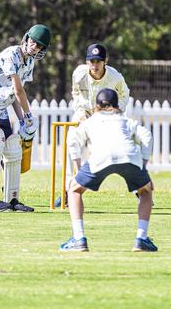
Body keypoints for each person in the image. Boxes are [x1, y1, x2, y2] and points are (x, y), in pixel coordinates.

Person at [59, 88, 156, 252]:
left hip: (100, 157)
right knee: (146, 191)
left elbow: (73, 140)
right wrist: (144, 166)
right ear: (117, 105)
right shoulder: (125, 120)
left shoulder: (91, 121)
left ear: (96, 106)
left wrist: (77, 169)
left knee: (74, 189)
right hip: (129, 156)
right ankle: (141, 239)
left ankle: (78, 238)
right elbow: (146, 136)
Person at [0, 24, 52, 213]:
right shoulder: (11, 55)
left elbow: (15, 95)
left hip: (0, 106)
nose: (34, 47)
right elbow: (18, 90)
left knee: (12, 147)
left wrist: (22, 119)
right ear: (26, 38)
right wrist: (29, 115)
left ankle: (12, 199)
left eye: (39, 46)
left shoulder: (29, 62)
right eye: (33, 42)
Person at [55, 43, 130, 207]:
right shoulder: (79, 73)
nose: (94, 65)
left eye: (98, 61)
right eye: (91, 61)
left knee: (121, 150)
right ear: (87, 61)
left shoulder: (115, 77)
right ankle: (68, 191)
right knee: (70, 142)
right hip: (86, 113)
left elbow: (125, 94)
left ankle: (139, 188)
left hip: (107, 114)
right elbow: (76, 93)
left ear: (105, 61)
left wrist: (116, 111)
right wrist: (81, 113)